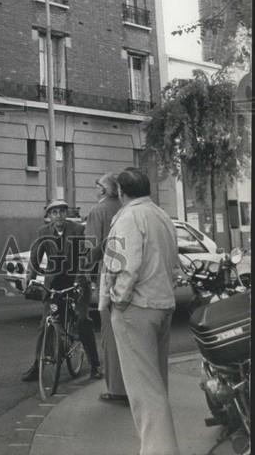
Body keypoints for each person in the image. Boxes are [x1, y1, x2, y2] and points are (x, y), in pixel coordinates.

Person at [103, 168, 181, 455]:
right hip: (162, 304)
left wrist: (118, 299)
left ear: (122, 193)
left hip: (136, 309)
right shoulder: (161, 216)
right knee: (157, 386)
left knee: (145, 393)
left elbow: (123, 264)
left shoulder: (127, 217)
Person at [21, 198, 101, 382]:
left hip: (77, 281)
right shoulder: (43, 232)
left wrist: (83, 276)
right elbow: (35, 258)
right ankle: (37, 365)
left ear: (67, 214)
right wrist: (29, 278)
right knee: (46, 323)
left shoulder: (78, 230)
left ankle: (95, 365)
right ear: (48, 216)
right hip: (55, 283)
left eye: (62, 212)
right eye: (54, 212)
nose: (59, 216)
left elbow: (85, 256)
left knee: (82, 320)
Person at [84, 172, 128, 404]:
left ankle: (116, 389)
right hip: (130, 279)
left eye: (97, 184)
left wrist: (81, 269)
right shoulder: (123, 208)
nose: (95, 187)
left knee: (109, 335)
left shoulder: (97, 211)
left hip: (108, 276)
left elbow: (90, 249)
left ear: (103, 190)